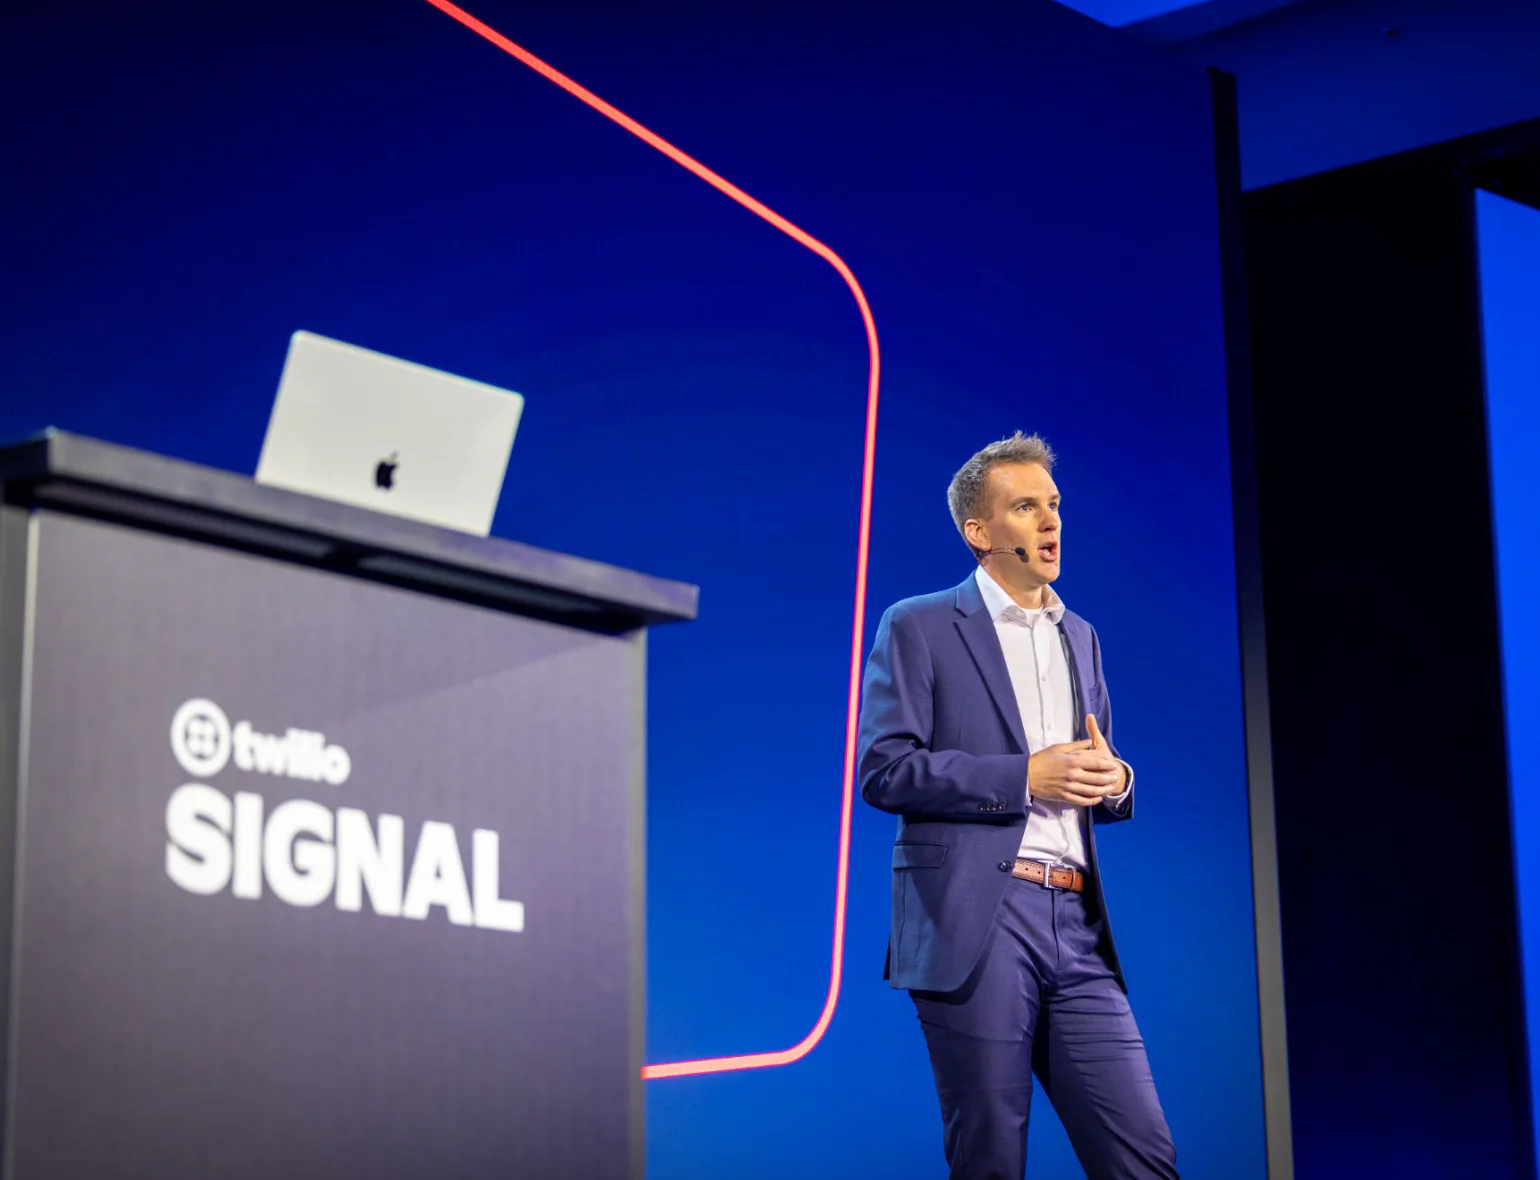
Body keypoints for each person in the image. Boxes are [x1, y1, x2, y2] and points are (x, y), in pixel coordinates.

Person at [857, 431, 1178, 1180]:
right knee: (991, 1158)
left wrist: (1117, 780)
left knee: (1145, 1156)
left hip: (1079, 925)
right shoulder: (921, 624)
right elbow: (884, 769)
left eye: (1054, 504)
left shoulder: (1083, 637)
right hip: (979, 916)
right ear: (979, 532)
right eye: (1026, 506)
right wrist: (1020, 778)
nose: (1049, 520)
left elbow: (1094, 766)